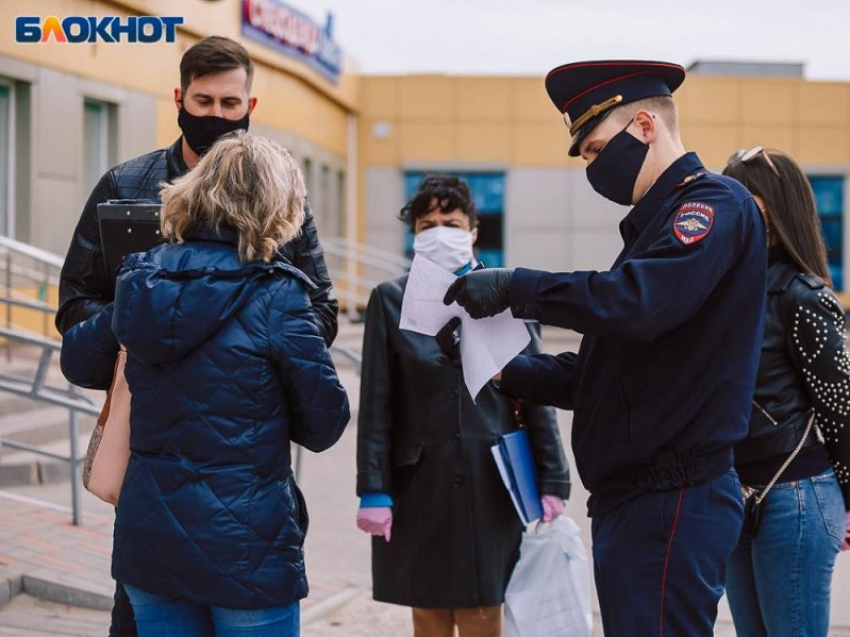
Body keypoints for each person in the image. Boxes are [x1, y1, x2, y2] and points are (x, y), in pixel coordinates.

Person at [444, 61, 768, 636]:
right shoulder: (654, 229)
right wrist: (504, 372)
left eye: (595, 149)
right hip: (638, 501)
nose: (592, 168)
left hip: (672, 496)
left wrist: (517, 286)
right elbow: (610, 370)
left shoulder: (712, 206)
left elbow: (638, 303)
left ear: (645, 125)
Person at [55, 35, 338, 636]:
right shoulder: (124, 185)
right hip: (148, 441)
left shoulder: (278, 195)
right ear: (179, 98)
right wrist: (138, 333)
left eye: (229, 104)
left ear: (250, 107)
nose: (215, 116)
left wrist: (259, 344)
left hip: (242, 441)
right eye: (202, 101)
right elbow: (75, 308)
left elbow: (321, 310)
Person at [356, 174, 570, 637]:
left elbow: (536, 394)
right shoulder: (389, 300)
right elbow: (377, 403)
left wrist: (552, 478)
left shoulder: (505, 294)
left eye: (450, 222)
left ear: (472, 230)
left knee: (482, 613)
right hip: (418, 485)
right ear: (414, 234)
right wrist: (372, 487)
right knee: (428, 617)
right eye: (426, 223)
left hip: (490, 482)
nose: (438, 230)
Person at [722, 147, 850, 637]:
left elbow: (839, 409)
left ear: (776, 210)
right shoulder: (722, 287)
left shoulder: (804, 295)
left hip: (796, 497)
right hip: (736, 496)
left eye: (745, 202)